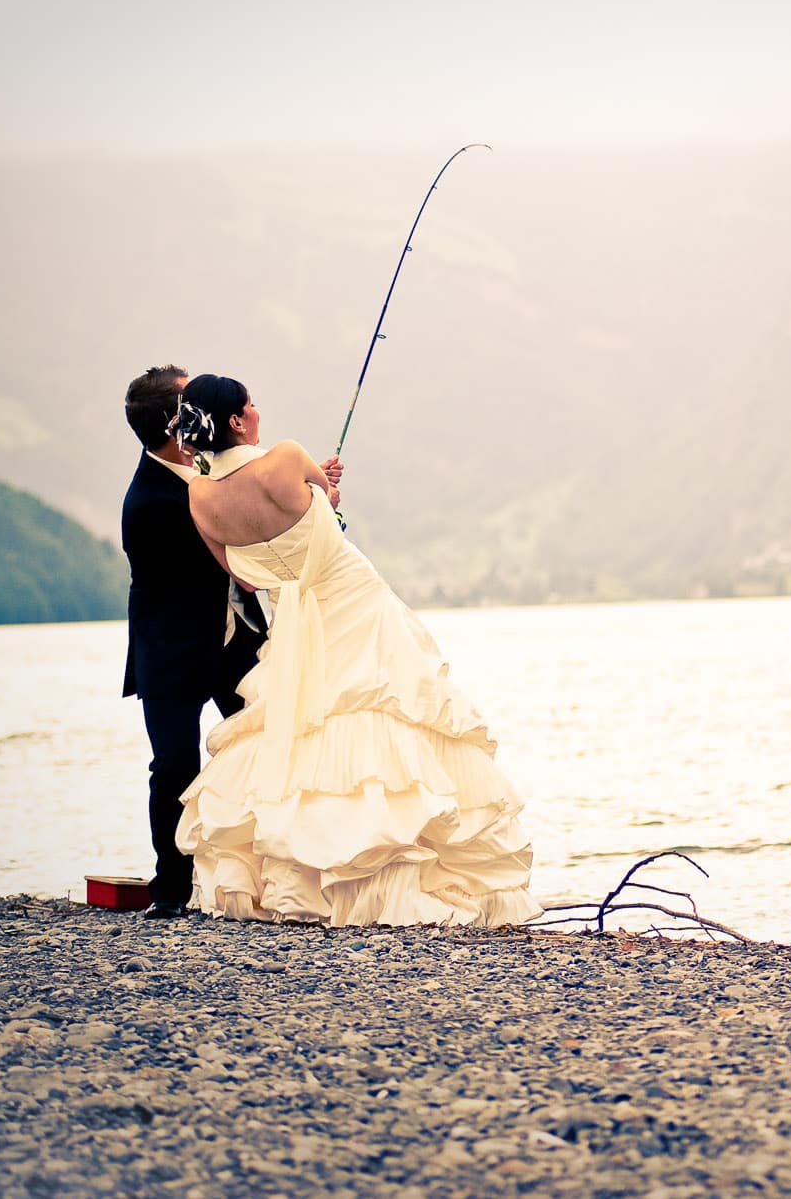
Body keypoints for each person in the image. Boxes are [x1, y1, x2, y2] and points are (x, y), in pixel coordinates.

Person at [167, 373, 539, 926]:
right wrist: (324, 494)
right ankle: (390, 877)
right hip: (353, 597)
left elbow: (243, 577)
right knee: (386, 714)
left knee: (304, 734)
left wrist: (310, 508)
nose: (258, 411)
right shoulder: (288, 457)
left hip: (293, 617)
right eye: (253, 405)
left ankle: (305, 882)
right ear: (238, 421)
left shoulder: (199, 496)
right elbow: (327, 505)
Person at [119, 365, 281, 919]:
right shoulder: (148, 502)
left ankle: (269, 874)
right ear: (174, 421)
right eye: (190, 403)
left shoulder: (210, 471)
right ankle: (171, 888)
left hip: (236, 640)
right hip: (172, 652)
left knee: (268, 743)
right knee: (174, 766)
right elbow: (240, 548)